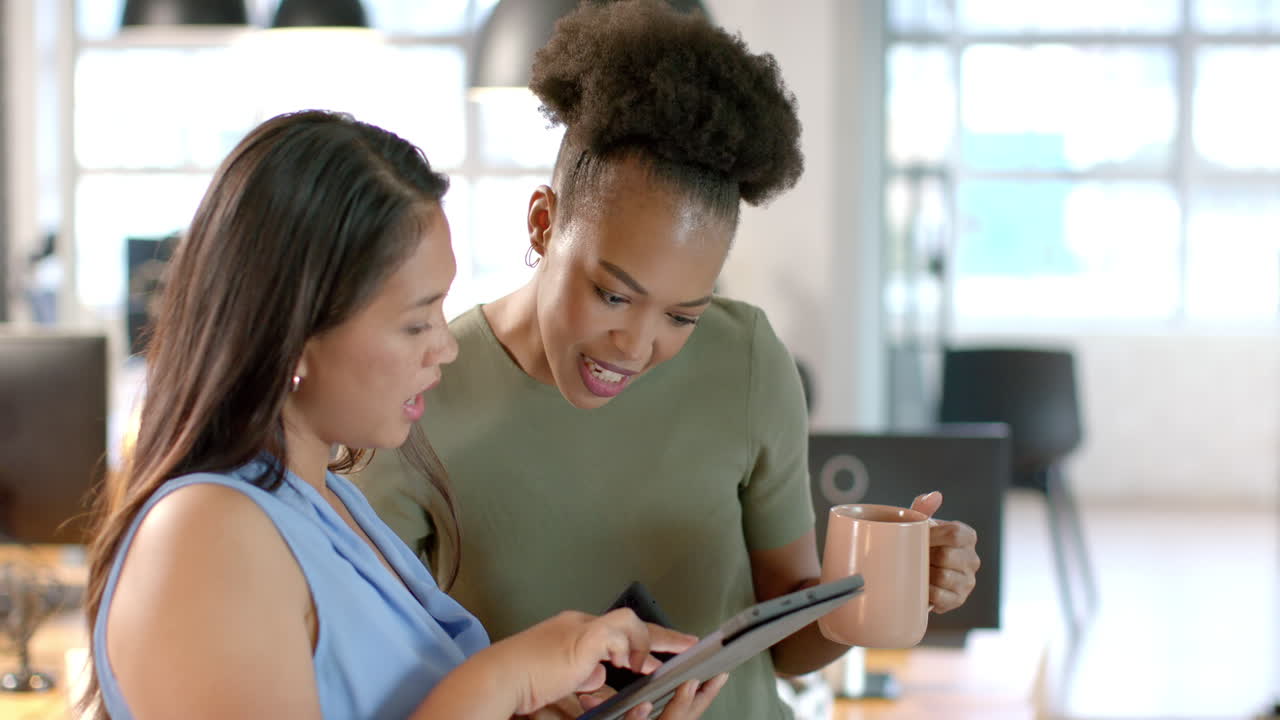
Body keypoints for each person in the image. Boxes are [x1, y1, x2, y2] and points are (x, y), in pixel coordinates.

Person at [356, 2, 981, 719]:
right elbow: (382, 681)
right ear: (543, 223)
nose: (635, 346)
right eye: (613, 295)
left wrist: (886, 588)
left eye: (683, 315)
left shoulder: (745, 360)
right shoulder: (419, 393)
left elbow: (787, 640)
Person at [80, 110, 726, 720]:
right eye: (416, 322)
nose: (445, 346)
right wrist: (503, 679)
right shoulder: (206, 536)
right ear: (295, 333)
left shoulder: (331, 503)